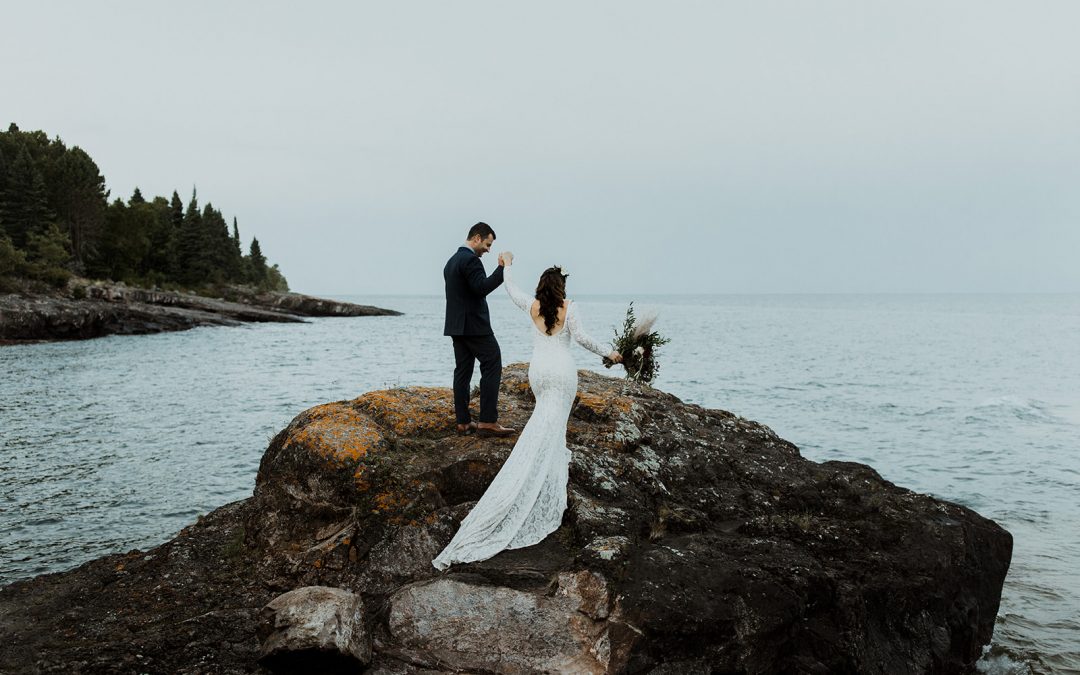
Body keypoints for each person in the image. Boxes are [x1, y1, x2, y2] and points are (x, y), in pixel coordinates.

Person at [432, 254, 621, 570]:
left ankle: (546, 457)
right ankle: (547, 465)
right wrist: (610, 353)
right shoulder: (570, 308)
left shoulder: (531, 306)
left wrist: (505, 265)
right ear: (561, 286)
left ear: (542, 286)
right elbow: (585, 339)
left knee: (542, 419)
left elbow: (510, 289)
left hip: (539, 372)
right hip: (561, 371)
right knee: (553, 422)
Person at [443, 222, 517, 438]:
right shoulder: (470, 260)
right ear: (476, 237)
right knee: (492, 363)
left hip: (457, 327)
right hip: (475, 326)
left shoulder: (451, 261)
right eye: (487, 244)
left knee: (463, 372)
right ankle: (487, 421)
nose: (488, 249)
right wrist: (504, 267)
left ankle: (464, 423)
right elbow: (481, 288)